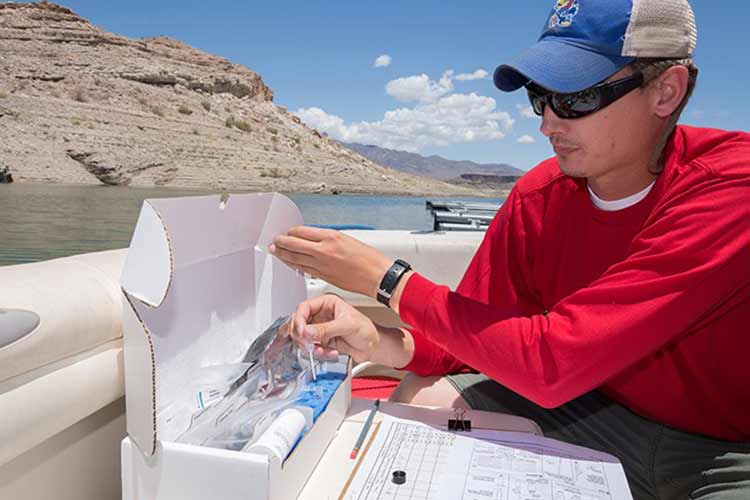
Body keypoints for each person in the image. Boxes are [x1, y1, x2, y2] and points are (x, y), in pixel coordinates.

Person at [270, 0, 750, 498]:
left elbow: (551, 363)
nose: (548, 124)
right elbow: (475, 330)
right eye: (541, 96)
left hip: (727, 452)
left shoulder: (731, 190)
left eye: (577, 98)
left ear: (665, 92)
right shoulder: (539, 196)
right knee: (424, 401)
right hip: (593, 412)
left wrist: (388, 282)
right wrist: (380, 340)